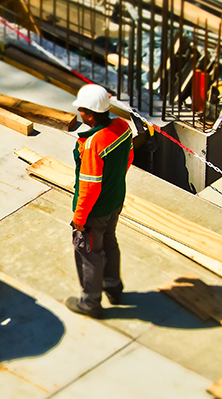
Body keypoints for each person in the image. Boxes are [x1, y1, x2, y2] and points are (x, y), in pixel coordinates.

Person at [65, 84, 134, 319]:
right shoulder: (123, 127)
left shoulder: (94, 142)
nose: (79, 114)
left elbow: (89, 186)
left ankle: (90, 303)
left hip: (95, 210)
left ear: (90, 114)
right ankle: (114, 289)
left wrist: (80, 218)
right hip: (115, 202)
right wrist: (115, 187)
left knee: (88, 253)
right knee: (110, 244)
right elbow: (128, 157)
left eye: (81, 110)